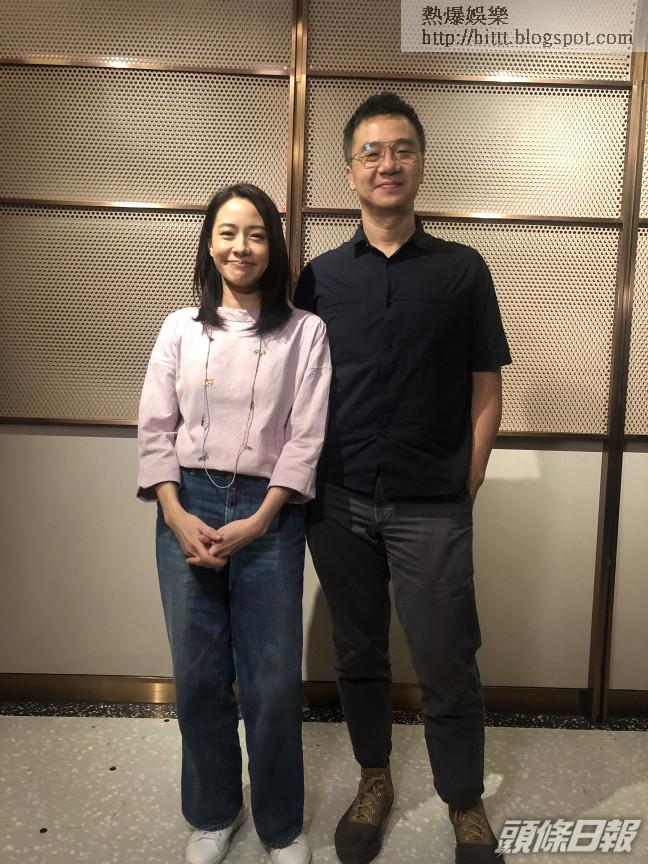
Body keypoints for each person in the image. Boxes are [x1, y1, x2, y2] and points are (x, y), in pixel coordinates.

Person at [294, 92, 511, 864]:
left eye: (402, 149)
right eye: (371, 151)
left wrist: (466, 482)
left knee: (448, 656)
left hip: (432, 501)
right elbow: (296, 386)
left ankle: (464, 799)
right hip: (338, 498)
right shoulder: (318, 278)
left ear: (420, 162)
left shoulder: (462, 270)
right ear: (350, 170)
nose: (387, 163)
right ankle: (374, 778)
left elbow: (486, 386)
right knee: (359, 655)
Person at [137, 183, 331, 864]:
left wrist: (263, 517)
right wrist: (174, 511)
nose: (240, 247)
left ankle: (281, 826)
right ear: (209, 243)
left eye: (255, 234)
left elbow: (306, 435)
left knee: (271, 682)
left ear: (273, 246)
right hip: (186, 504)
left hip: (269, 512)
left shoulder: (304, 331)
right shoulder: (179, 328)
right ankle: (214, 812)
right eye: (227, 232)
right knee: (197, 677)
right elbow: (156, 427)